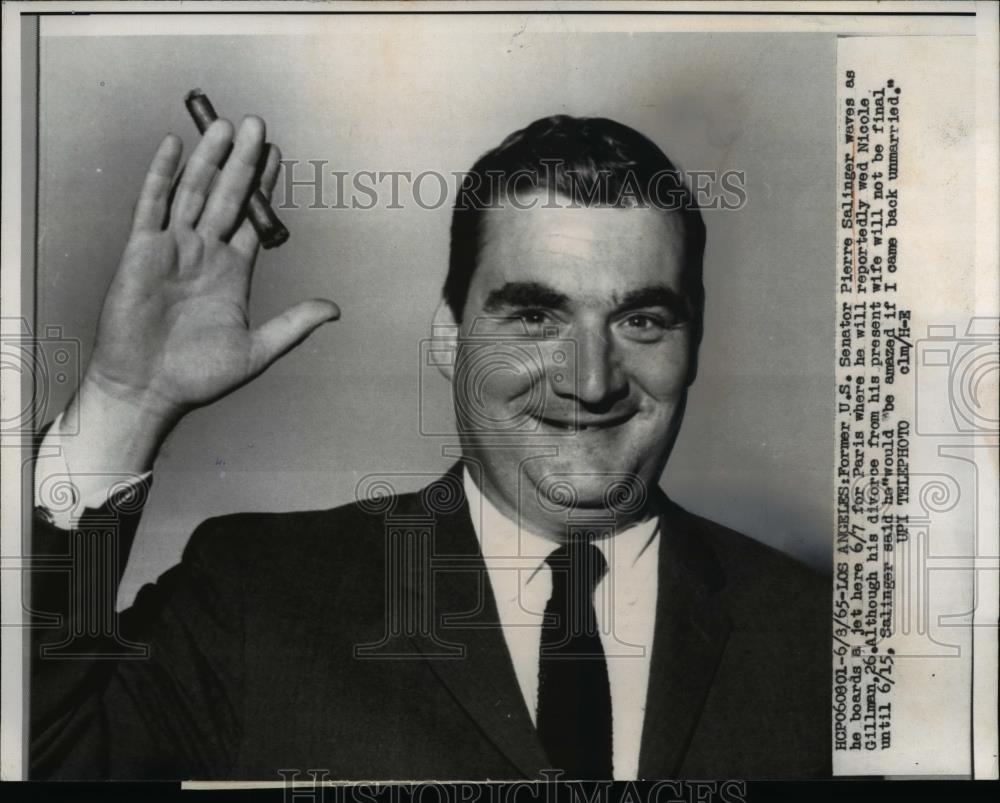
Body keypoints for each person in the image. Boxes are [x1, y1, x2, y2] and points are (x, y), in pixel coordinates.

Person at [30, 113, 830, 780]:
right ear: (449, 338)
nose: (590, 380)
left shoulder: (819, 637)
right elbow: (33, 752)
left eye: (641, 321)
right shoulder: (257, 597)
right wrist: (125, 406)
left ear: (694, 342)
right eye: (534, 318)